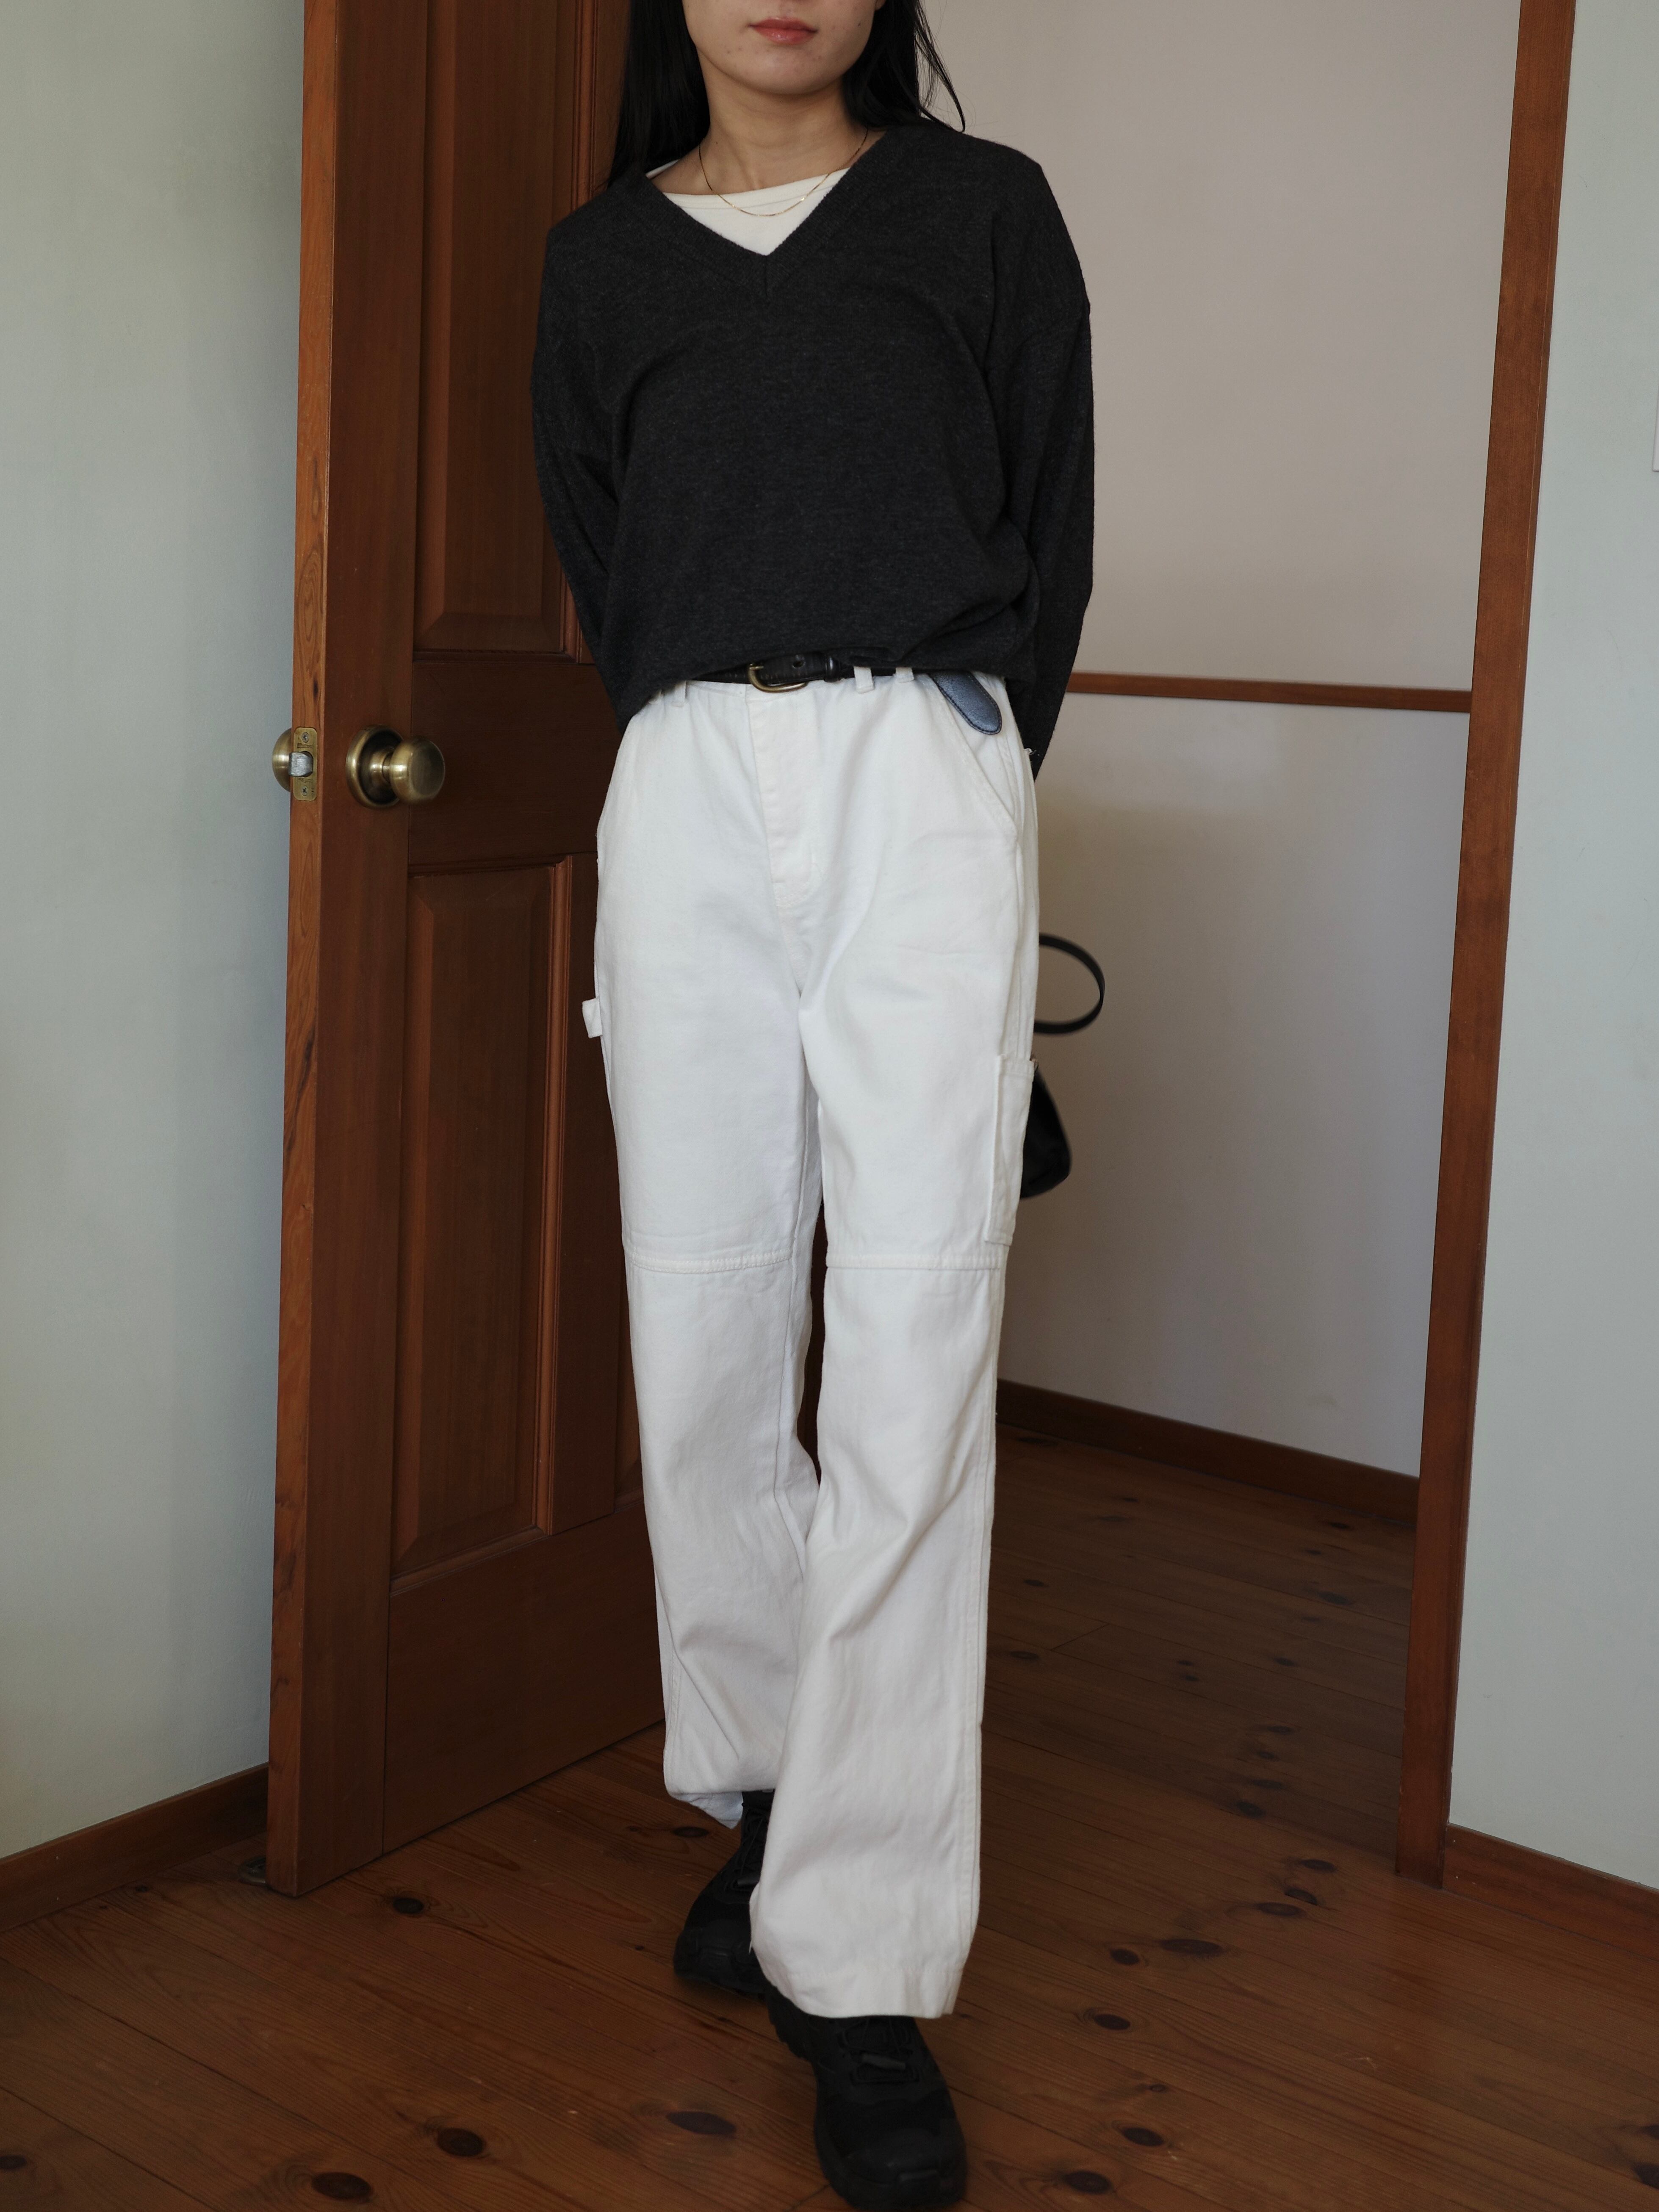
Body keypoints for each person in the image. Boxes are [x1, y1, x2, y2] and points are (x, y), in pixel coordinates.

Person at [532, 3, 1092, 2203]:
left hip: (922, 763)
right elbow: (605, 555)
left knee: (914, 1340)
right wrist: (725, 734)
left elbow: (1051, 529)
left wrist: (957, 771)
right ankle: (770, 1795)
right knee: (700, 1328)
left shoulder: (983, 213)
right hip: (685, 774)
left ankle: (856, 1960)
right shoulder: (601, 262)